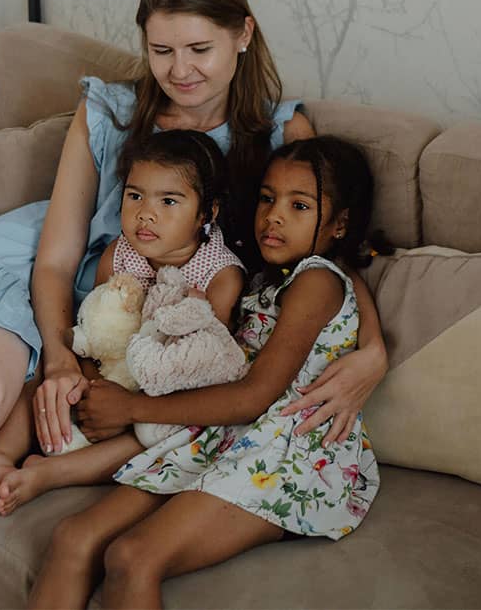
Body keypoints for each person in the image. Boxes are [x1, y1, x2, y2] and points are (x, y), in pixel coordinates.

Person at [0, 0, 386, 610]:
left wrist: (374, 351)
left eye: (200, 49)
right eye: (161, 50)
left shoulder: (280, 130)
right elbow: (55, 258)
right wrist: (58, 356)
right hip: (29, 272)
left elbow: (326, 254)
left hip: (123, 315)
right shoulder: (108, 109)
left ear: (243, 34)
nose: (180, 71)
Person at [28, 135, 381, 610]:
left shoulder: (317, 280)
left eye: (299, 206)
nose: (274, 216)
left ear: (340, 223)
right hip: (220, 435)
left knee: (131, 557)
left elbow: (255, 396)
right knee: (73, 537)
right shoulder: (258, 272)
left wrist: (132, 407)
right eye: (267, 199)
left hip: (288, 452)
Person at [0, 128, 247, 516]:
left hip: (163, 399)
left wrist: (127, 408)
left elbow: (206, 365)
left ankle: (49, 474)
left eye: (168, 201)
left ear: (207, 213)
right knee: (40, 378)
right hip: (109, 378)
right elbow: (93, 333)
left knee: (153, 436)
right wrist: (91, 389)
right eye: (135, 196)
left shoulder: (221, 276)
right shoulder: (120, 253)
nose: (145, 213)